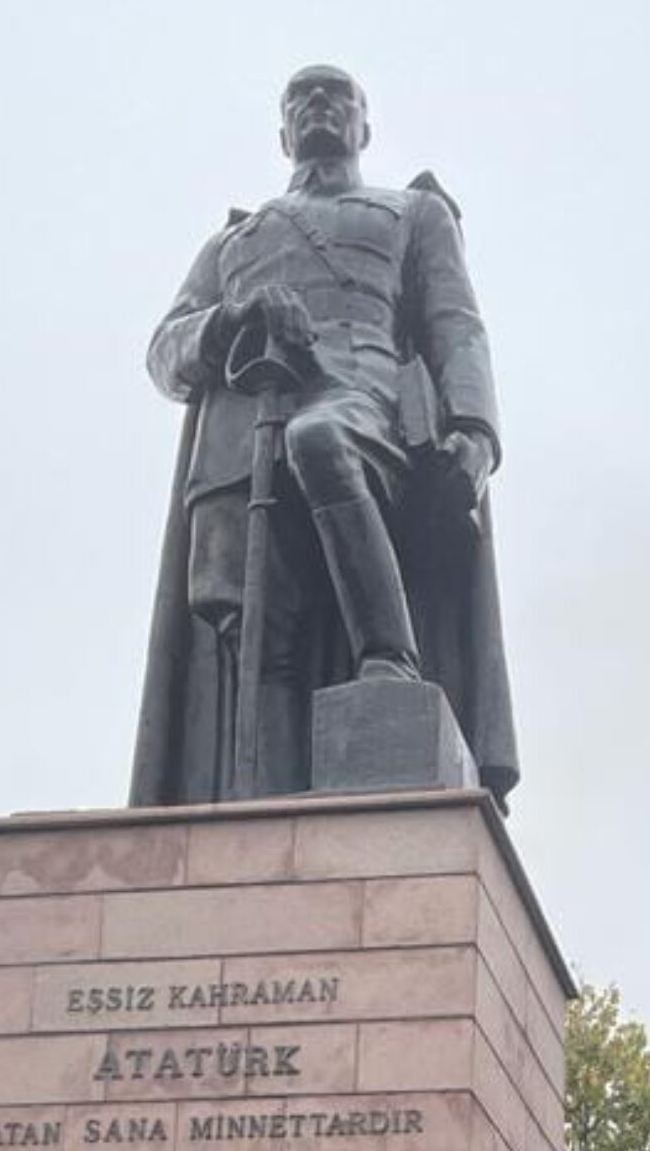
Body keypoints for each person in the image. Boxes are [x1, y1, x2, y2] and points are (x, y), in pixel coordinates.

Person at [132, 63, 517, 805]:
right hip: (240, 446)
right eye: (300, 98)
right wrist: (229, 320)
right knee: (257, 642)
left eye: (335, 95)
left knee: (319, 439)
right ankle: (269, 822)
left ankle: (388, 662)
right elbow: (165, 350)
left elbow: (455, 325)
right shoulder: (232, 243)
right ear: (282, 131)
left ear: (363, 125)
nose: (317, 104)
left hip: (365, 401)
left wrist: (474, 428)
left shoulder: (411, 211)